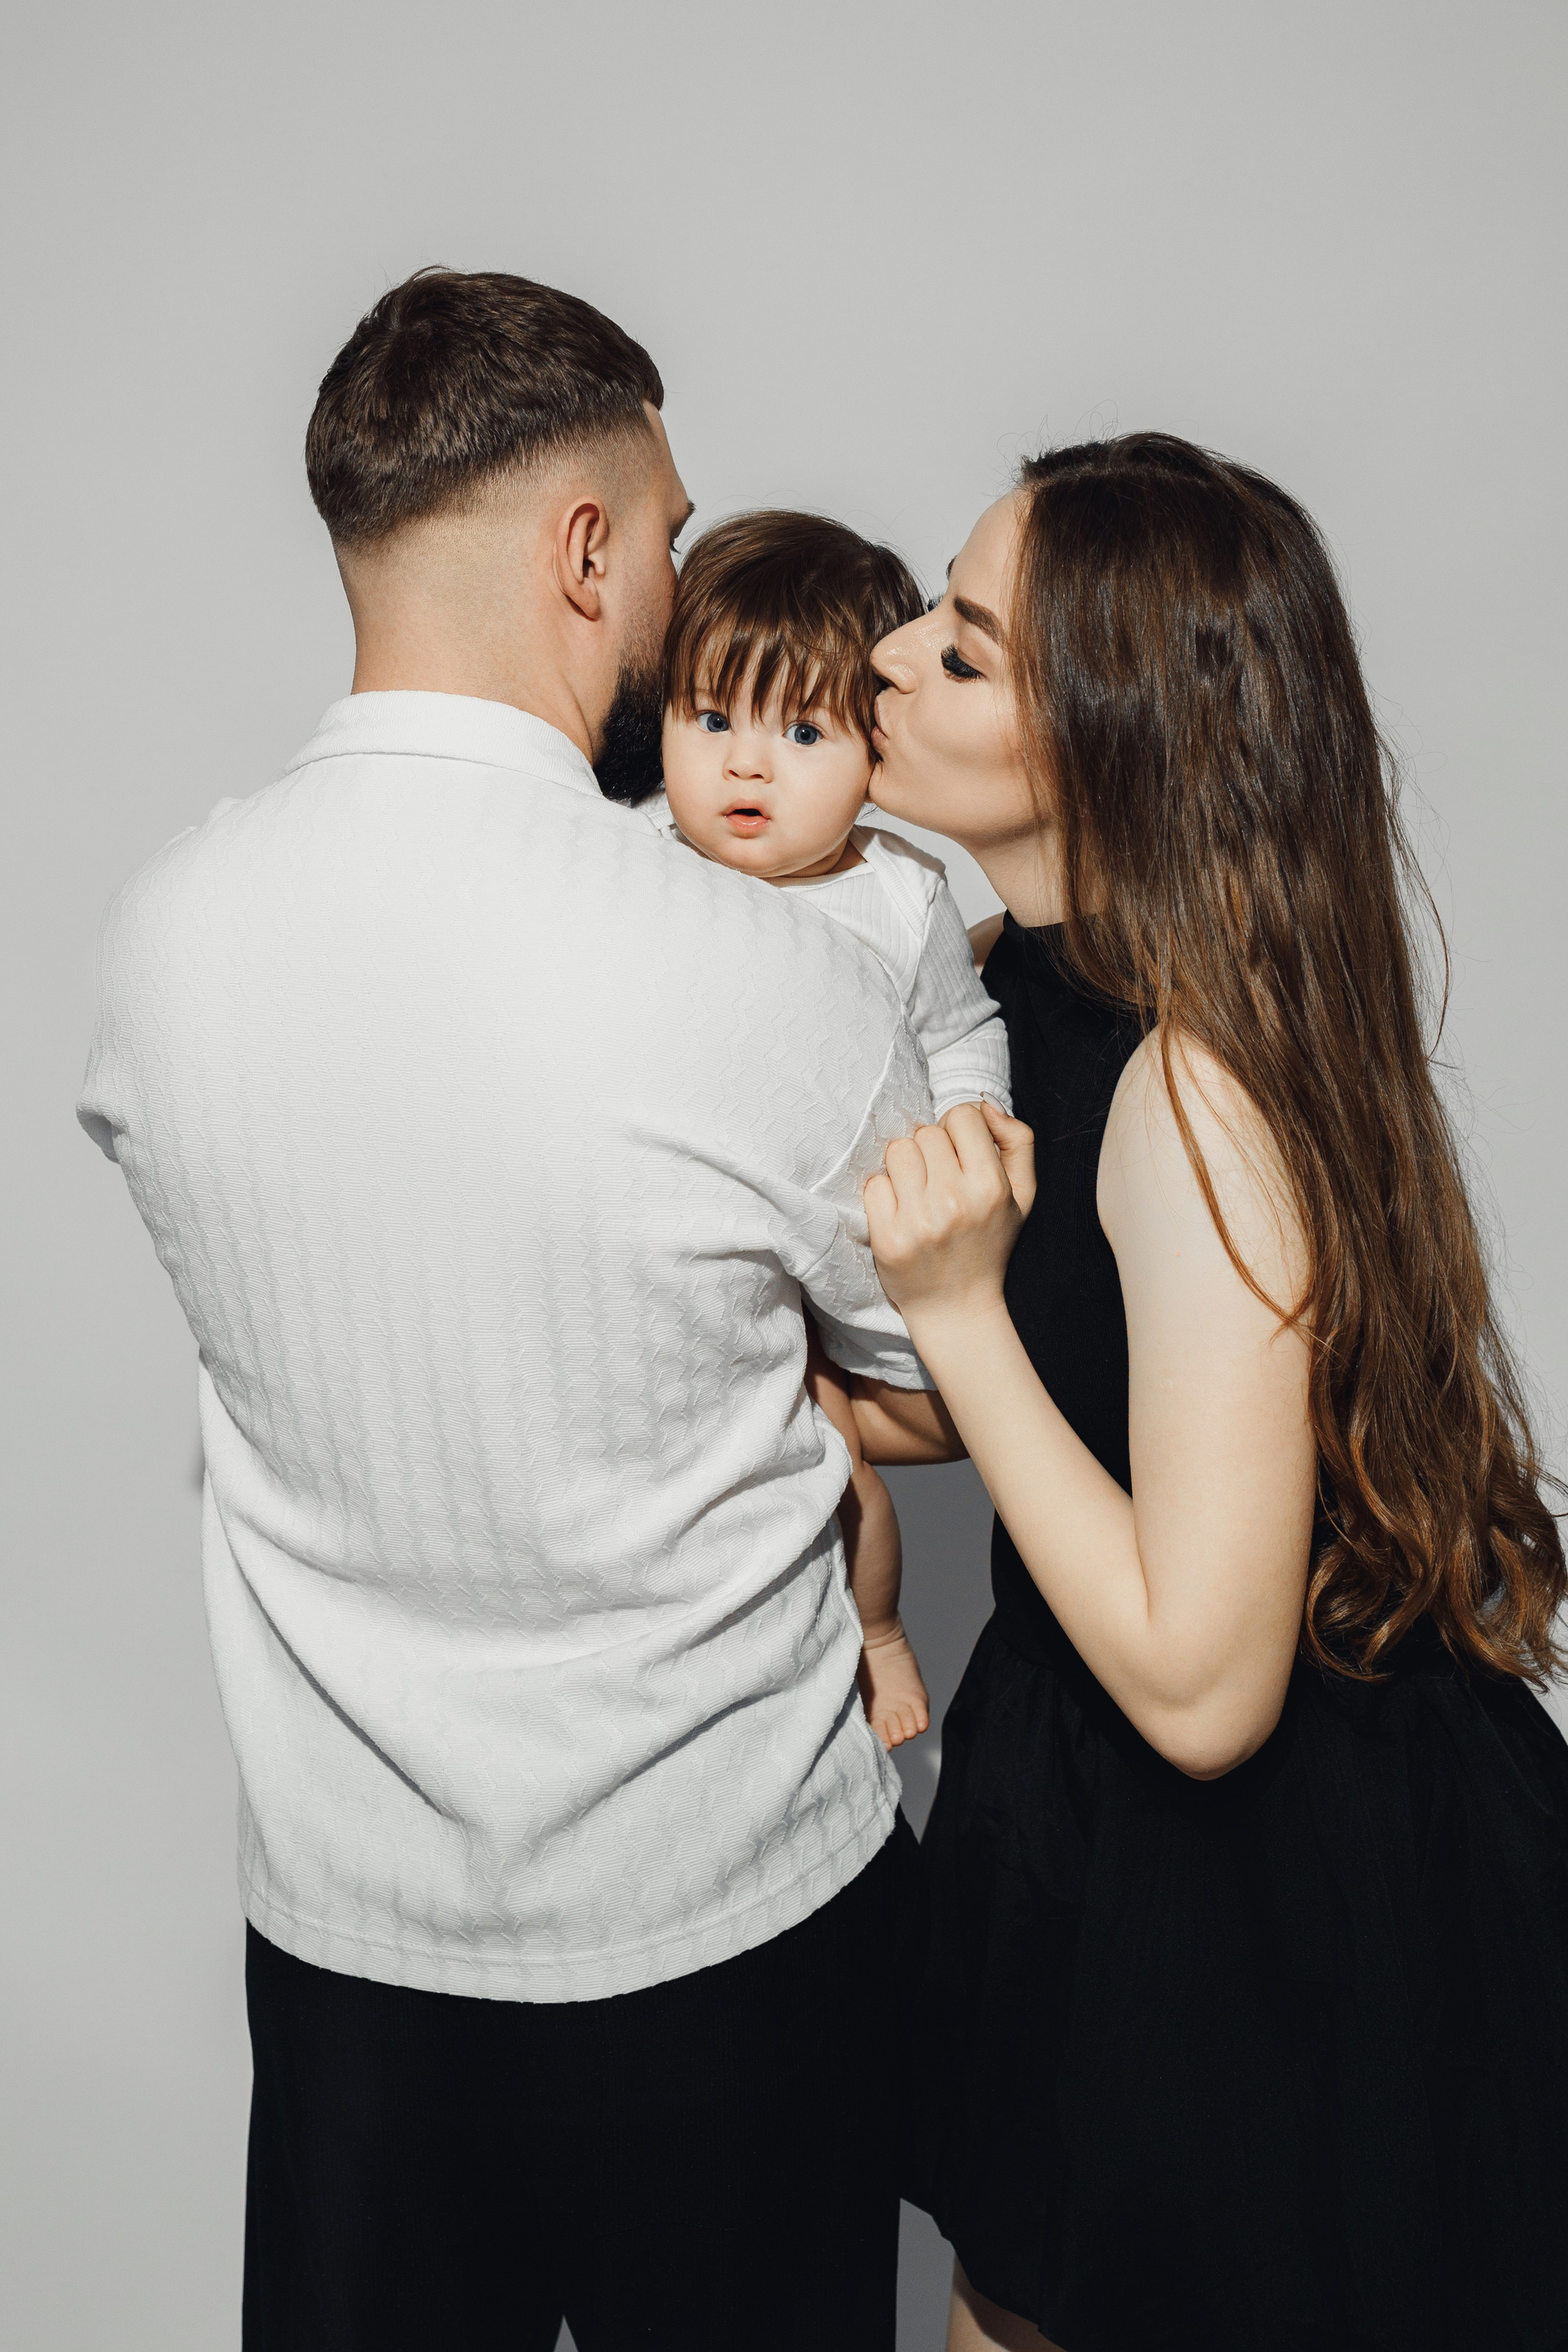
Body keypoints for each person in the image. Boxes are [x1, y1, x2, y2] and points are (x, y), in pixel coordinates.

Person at [76, 268, 951, 2352]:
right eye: (667, 538)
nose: (676, 587)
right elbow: (939, 1386)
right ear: (583, 550)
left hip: (352, 1962)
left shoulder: (162, 938)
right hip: (736, 1932)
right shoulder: (774, 975)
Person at [862, 432, 1568, 2352]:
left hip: (1282, 1897)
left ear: (1109, 741)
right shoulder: (1009, 987)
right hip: (1080, 1812)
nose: (890, 658)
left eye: (964, 649)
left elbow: (1203, 1685)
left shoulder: (1196, 1091)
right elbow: (1081, 1396)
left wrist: (955, 1319)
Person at [648, 508, 1011, 1747]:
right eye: (712, 721)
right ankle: (862, 1634)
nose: (747, 769)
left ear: (871, 747)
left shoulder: (899, 894)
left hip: (879, 1246)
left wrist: (973, 1126)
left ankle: (880, 1626)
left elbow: (962, 1031)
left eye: (802, 734)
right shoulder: (641, 864)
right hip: (733, 1257)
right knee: (822, 1459)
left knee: (883, 1441)